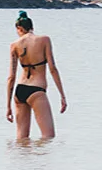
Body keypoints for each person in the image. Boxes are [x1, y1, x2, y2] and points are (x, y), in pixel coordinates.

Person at [5, 10, 66, 139]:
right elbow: (53, 69)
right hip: (36, 90)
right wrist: (62, 96)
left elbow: (11, 77)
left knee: (21, 139)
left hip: (19, 90)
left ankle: (21, 159)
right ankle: (42, 159)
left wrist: (8, 106)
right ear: (32, 27)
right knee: (48, 137)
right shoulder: (44, 40)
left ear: (19, 28)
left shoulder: (14, 45)